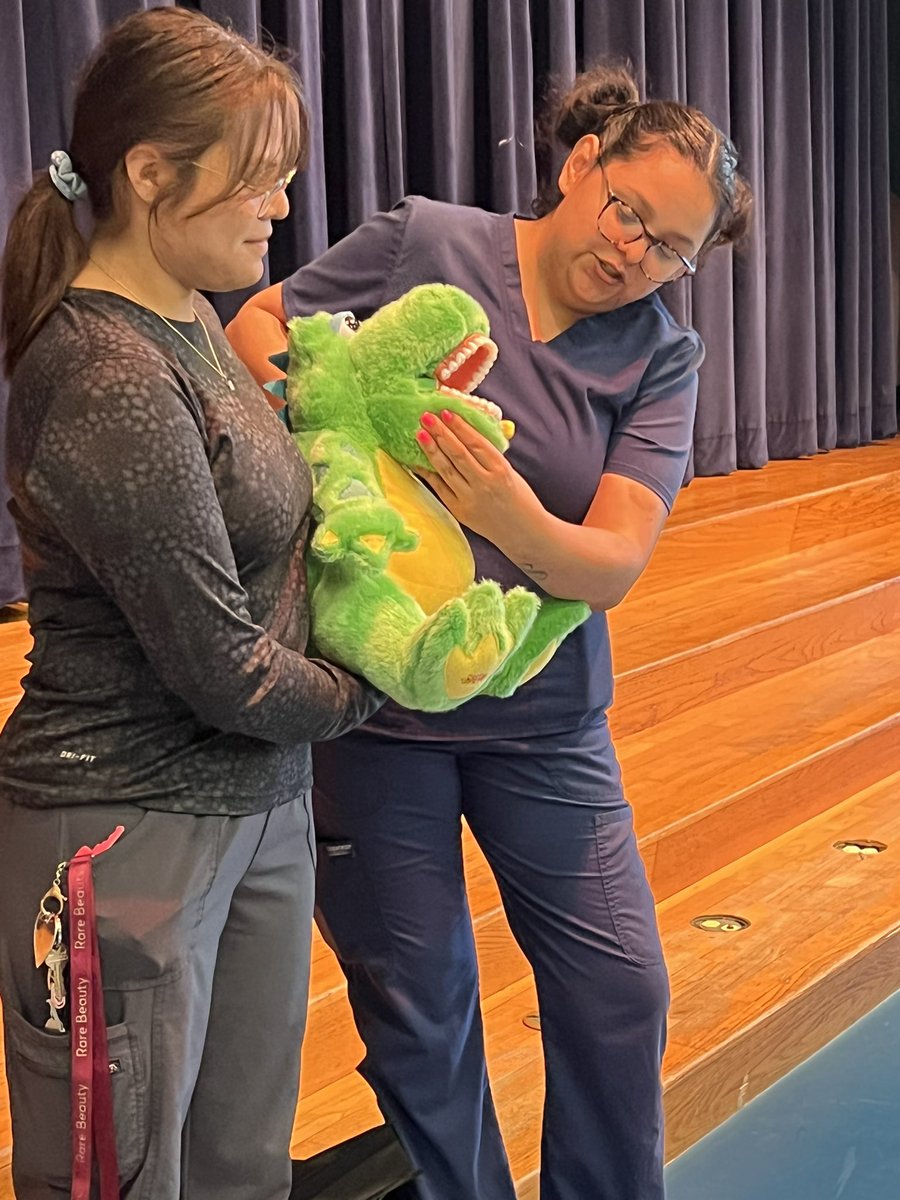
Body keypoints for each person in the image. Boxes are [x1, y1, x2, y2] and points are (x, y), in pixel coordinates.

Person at [228, 64, 751, 1200]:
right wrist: (325, 441)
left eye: (671, 250)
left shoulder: (663, 355)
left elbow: (610, 561)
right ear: (581, 167)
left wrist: (500, 509)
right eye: (630, 212)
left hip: (545, 725)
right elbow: (261, 321)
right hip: (373, 722)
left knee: (620, 991)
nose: (635, 254)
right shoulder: (426, 241)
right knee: (420, 1015)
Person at [0, 8, 384, 1199]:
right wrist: (394, 672)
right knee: (119, 1180)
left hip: (256, 798)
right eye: (258, 182)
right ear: (151, 175)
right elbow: (224, 666)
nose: (280, 206)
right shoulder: (110, 375)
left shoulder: (192, 319)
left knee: (237, 1168)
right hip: (126, 830)